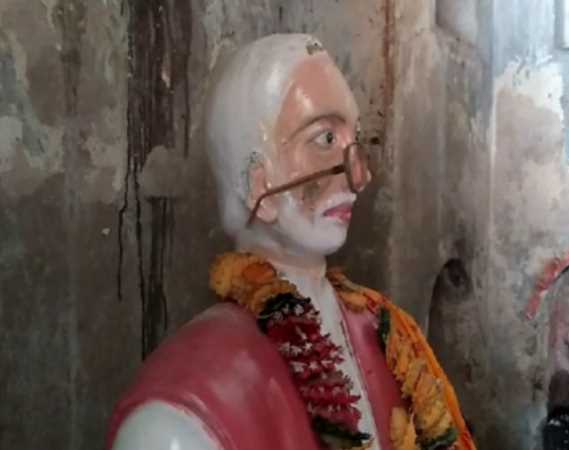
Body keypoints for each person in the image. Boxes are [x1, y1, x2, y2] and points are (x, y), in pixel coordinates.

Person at [106, 33, 476, 450]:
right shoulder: (178, 421)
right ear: (257, 184)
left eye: (355, 140)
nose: (359, 177)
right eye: (325, 140)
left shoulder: (387, 333)